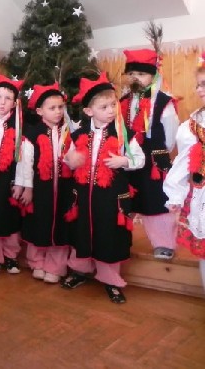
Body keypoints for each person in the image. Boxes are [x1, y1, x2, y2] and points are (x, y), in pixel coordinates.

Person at [62, 72, 145, 303]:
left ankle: (111, 280)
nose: (111, 110)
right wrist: (71, 160)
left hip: (110, 198)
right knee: (82, 232)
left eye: (113, 105)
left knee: (109, 235)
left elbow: (140, 159)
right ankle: (79, 271)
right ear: (89, 111)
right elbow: (68, 158)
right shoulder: (78, 134)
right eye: (104, 107)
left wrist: (124, 161)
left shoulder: (123, 134)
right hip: (84, 197)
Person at [120, 49, 179, 259]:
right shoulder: (122, 101)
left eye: (141, 74)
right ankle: (121, 242)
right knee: (126, 199)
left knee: (155, 200)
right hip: (128, 160)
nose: (135, 78)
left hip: (153, 161)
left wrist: (158, 152)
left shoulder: (163, 102)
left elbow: (171, 135)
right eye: (131, 73)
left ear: (153, 76)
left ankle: (164, 243)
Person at [21, 82, 72, 284]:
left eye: (60, 107)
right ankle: (37, 262)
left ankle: (56, 266)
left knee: (61, 225)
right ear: (40, 111)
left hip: (64, 188)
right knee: (39, 223)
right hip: (41, 188)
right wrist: (27, 187)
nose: (58, 111)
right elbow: (26, 163)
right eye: (52, 108)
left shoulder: (68, 132)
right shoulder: (32, 133)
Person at [0, 75, 32, 275]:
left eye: (8, 98)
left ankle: (11, 256)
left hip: (11, 177)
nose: (3, 102)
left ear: (15, 103)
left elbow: (26, 158)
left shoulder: (21, 126)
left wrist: (22, 183)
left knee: (12, 215)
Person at [163, 54, 205, 290]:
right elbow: (182, 163)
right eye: (198, 85)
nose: (199, 90)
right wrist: (176, 196)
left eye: (204, 84)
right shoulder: (192, 126)